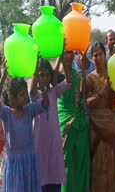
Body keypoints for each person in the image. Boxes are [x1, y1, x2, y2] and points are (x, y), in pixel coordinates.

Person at [86, 42, 115, 191]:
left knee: (112, 166)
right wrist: (103, 92)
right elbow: (88, 103)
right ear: (92, 58)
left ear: (105, 56)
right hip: (96, 129)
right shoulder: (89, 79)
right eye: (94, 55)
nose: (97, 58)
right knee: (97, 166)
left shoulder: (113, 75)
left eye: (100, 54)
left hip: (111, 127)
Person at [0, 67, 49, 191]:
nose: (26, 97)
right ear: (12, 97)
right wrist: (3, 77)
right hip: (14, 165)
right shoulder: (6, 114)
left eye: (25, 93)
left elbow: (45, 103)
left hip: (29, 163)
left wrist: (38, 80)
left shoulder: (29, 110)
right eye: (22, 95)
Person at [30, 57, 72, 192]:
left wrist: (62, 57)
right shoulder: (35, 95)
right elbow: (31, 89)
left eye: (47, 75)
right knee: (40, 180)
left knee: (54, 180)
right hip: (39, 145)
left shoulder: (54, 92)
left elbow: (68, 82)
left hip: (54, 145)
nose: (44, 78)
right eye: (41, 75)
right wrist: (34, 70)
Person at [58, 50, 91, 192]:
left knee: (81, 164)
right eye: (66, 53)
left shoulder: (76, 74)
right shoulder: (56, 76)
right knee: (67, 166)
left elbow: (83, 91)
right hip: (65, 124)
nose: (70, 56)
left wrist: (83, 68)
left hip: (80, 123)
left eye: (72, 53)